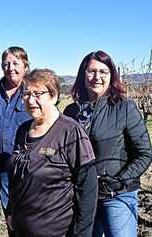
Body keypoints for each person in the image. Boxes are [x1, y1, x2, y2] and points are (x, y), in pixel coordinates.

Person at [63, 50, 152, 237]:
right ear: (82, 75)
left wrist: (119, 181)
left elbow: (144, 153)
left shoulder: (125, 108)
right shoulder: (71, 112)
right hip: (83, 196)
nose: (97, 77)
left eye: (103, 72)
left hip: (117, 195)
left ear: (111, 76)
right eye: (91, 71)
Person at [7, 68, 98, 237]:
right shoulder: (23, 130)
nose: (30, 100)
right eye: (26, 94)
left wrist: (81, 233)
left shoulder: (70, 132)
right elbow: (17, 178)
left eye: (38, 94)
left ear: (54, 96)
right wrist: (11, 212)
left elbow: (88, 188)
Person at [0, 46, 31, 235]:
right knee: (10, 214)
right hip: (1, 164)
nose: (10, 67)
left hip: (27, 164)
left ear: (25, 66)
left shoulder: (32, 89)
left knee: (29, 212)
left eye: (15, 63)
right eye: (6, 63)